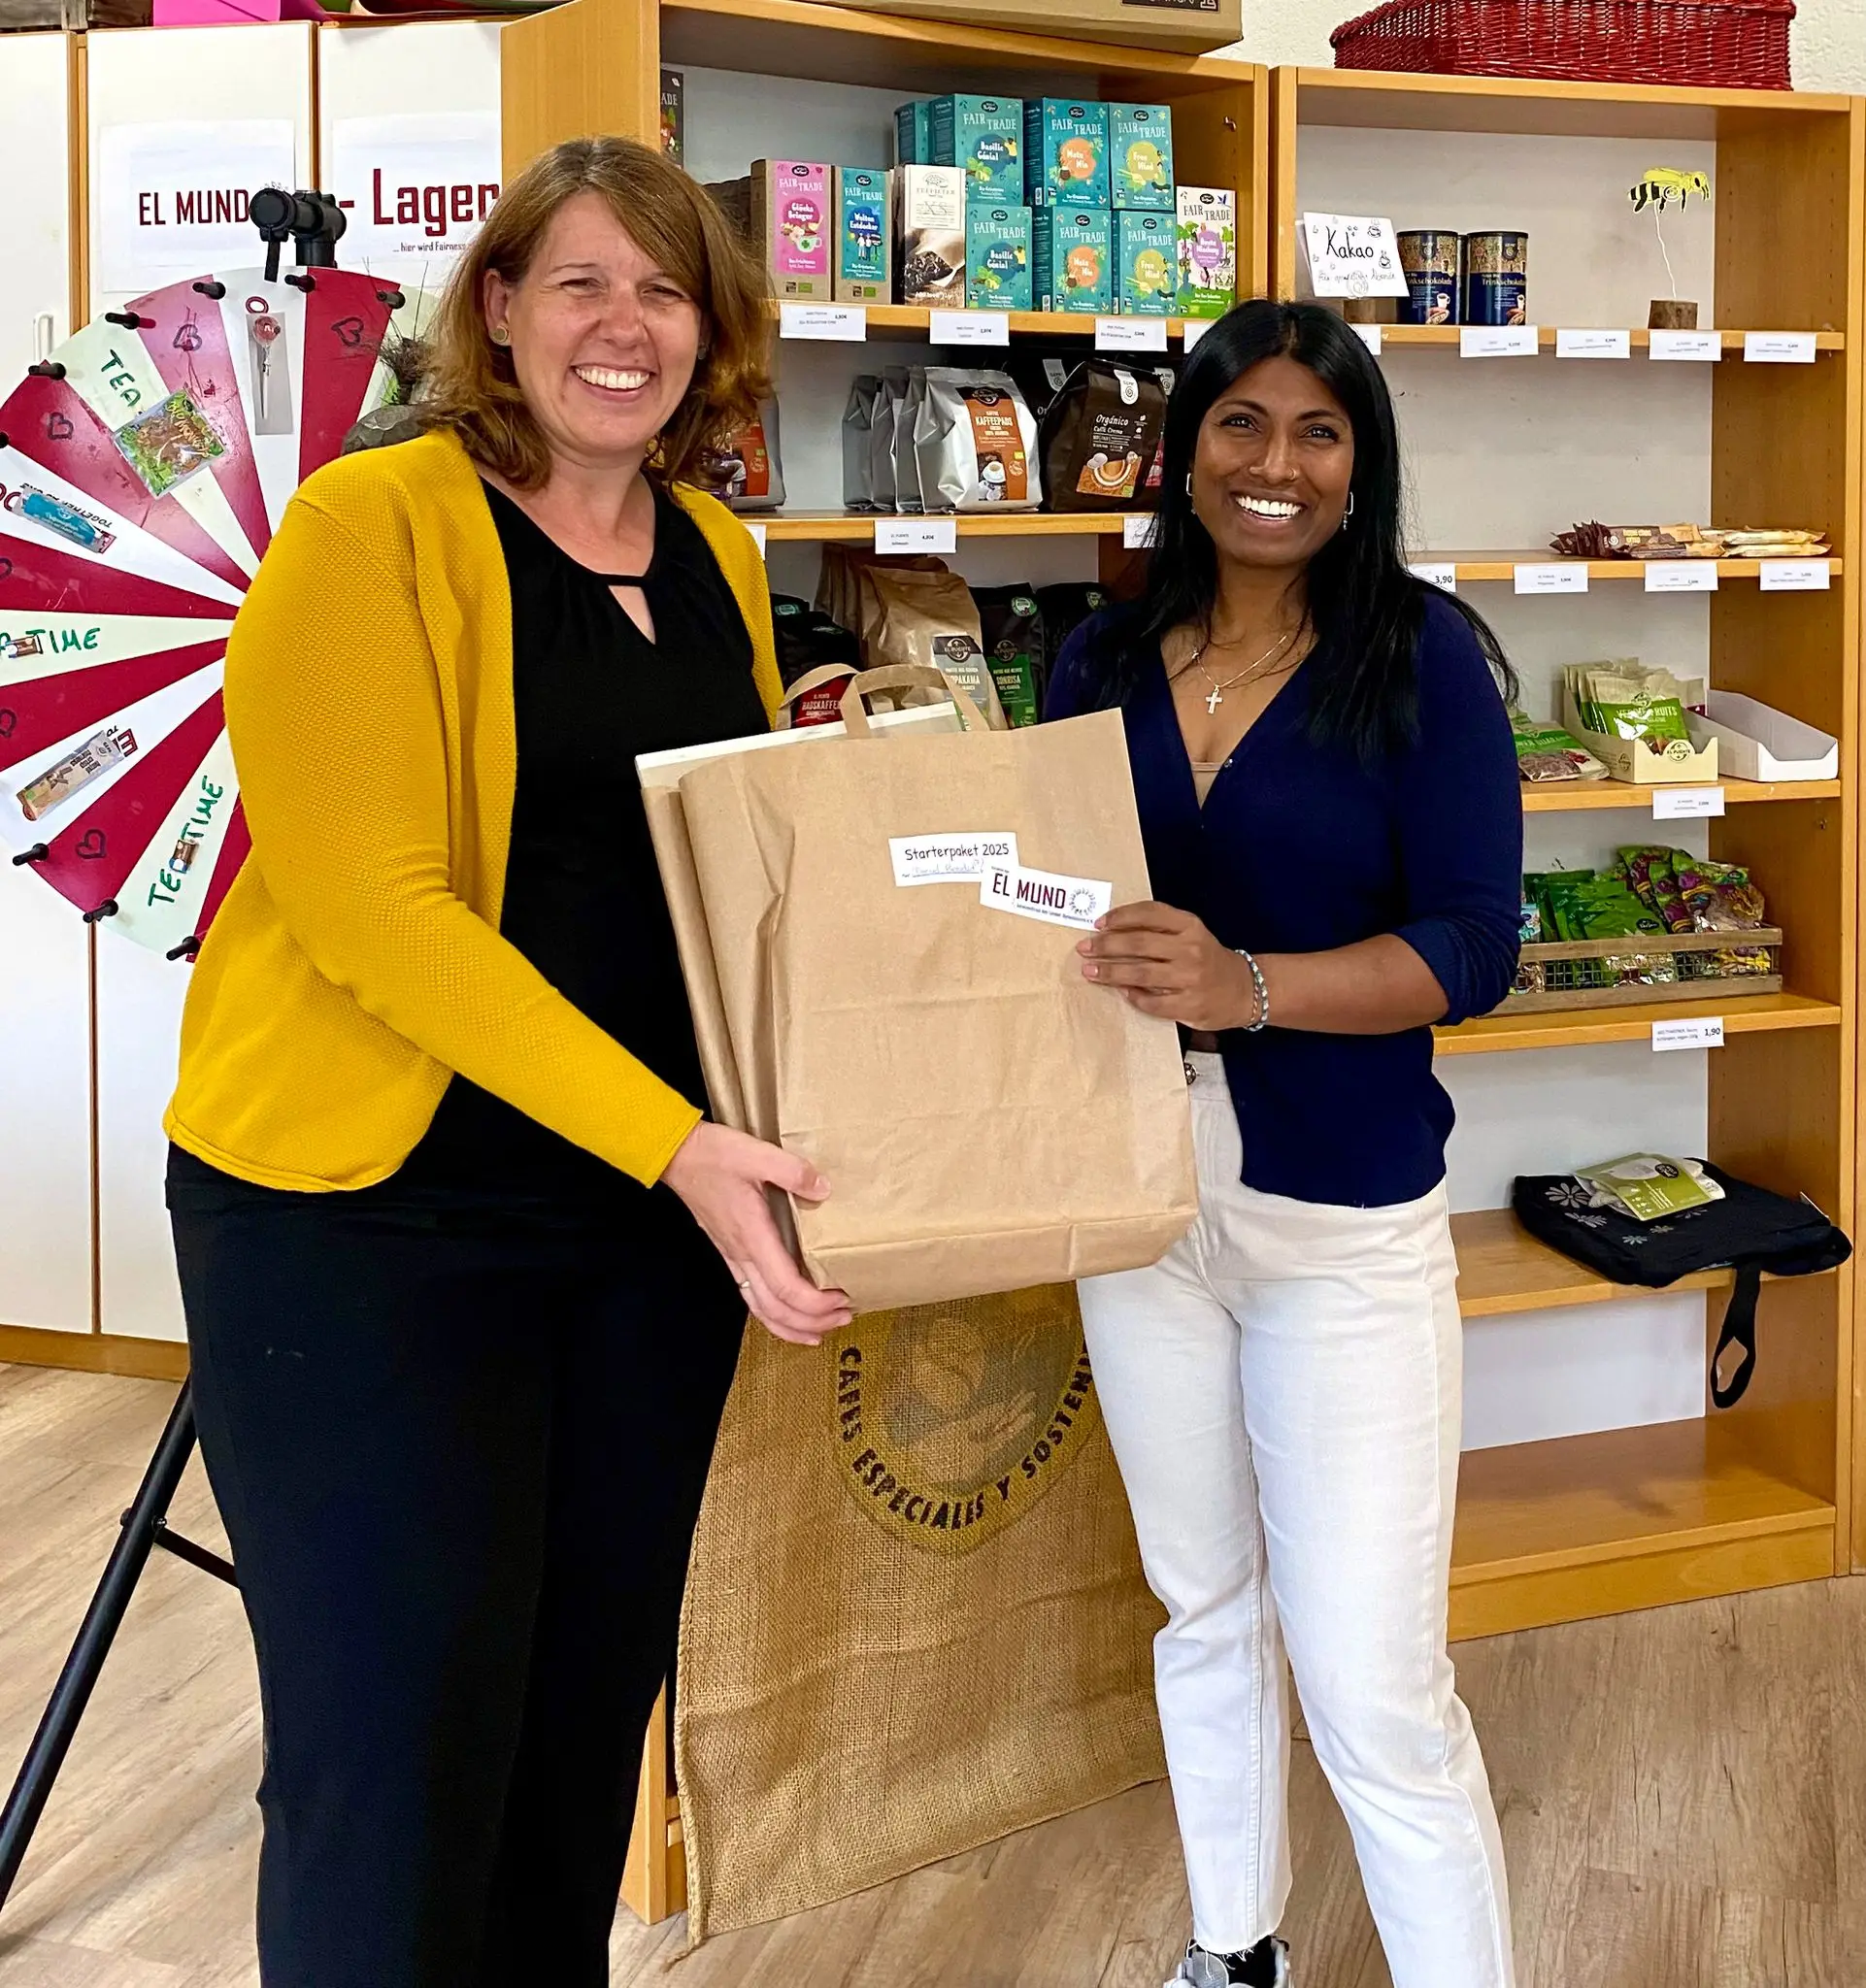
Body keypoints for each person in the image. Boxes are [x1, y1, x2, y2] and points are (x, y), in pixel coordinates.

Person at [162, 136, 850, 1988]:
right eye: (580, 283)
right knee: (392, 1760)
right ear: (498, 309)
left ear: (710, 329)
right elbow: (378, 913)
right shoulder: (367, 528)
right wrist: (675, 1142)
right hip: (370, 1226)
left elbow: (688, 856)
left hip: (637, 1231)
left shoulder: (715, 552)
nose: (624, 326)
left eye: (665, 289)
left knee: (572, 1728)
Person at [1048, 299, 1521, 1988]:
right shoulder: (1099, 660)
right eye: (1238, 422)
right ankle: (1230, 1950)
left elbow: (1472, 947)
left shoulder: (1423, 661)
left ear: (1359, 465)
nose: (1275, 462)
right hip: (1135, 1200)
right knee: (1204, 1608)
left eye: (1317, 429)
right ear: (1181, 453)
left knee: (1375, 1684)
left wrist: (1245, 985)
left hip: (1340, 1222)